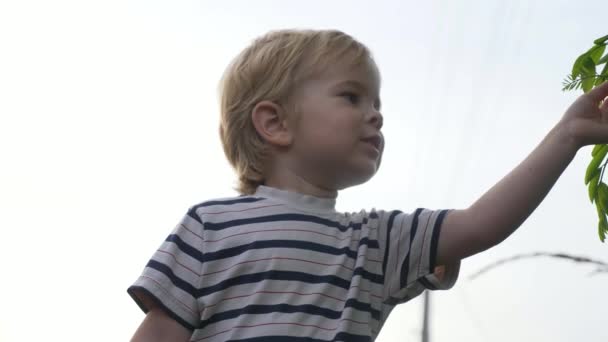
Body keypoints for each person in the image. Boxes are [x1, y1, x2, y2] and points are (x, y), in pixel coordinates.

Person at [128, 29, 608, 341]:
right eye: (351, 96)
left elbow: (481, 225)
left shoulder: (376, 242)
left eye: (376, 101)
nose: (375, 114)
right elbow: (161, 330)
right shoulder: (209, 226)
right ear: (274, 123)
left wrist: (566, 136)